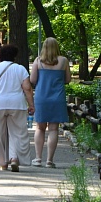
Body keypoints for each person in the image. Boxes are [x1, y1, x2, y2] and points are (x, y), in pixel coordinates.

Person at [0, 44, 34, 172]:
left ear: (0, 56)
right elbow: (27, 88)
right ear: (14, 56)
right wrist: (31, 104)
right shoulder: (21, 69)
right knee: (17, 133)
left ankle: (3, 163)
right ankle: (14, 158)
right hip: (17, 104)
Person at [30, 37, 72, 168]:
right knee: (53, 129)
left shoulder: (38, 61)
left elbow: (32, 79)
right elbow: (67, 80)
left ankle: (37, 158)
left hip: (42, 97)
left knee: (39, 128)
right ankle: (49, 160)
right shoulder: (63, 61)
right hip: (57, 98)